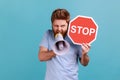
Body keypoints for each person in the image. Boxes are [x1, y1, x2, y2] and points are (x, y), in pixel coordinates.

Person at [38, 8, 91, 80]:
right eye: (56, 26)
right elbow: (41, 57)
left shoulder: (75, 37)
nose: (59, 29)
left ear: (68, 24)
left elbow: (85, 63)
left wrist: (84, 54)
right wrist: (56, 51)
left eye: (62, 26)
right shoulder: (48, 34)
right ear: (52, 24)